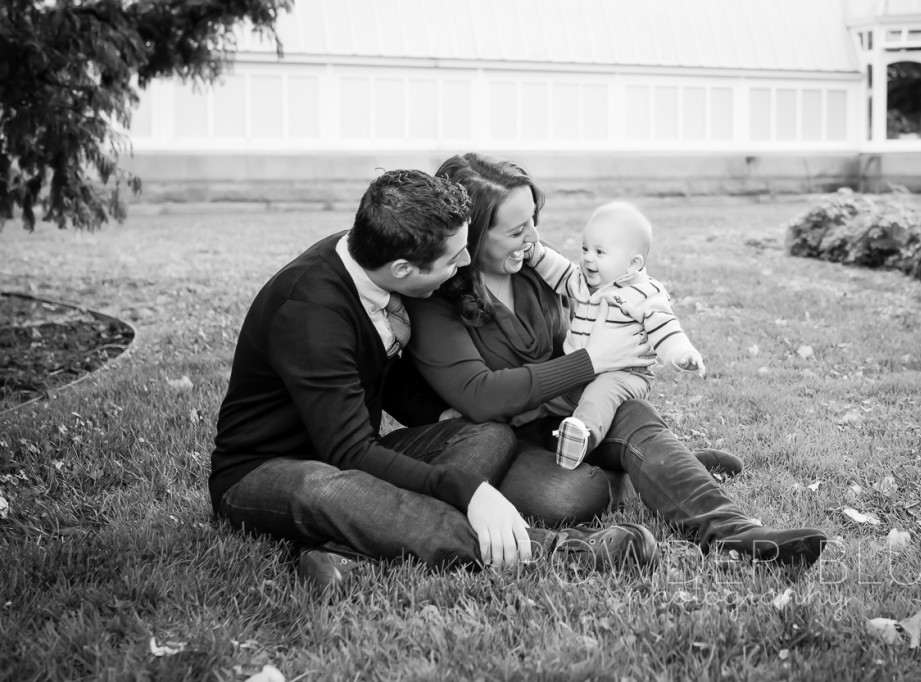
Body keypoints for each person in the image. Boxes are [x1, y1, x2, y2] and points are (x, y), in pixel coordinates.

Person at [209, 169, 658, 589]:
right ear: (404, 270)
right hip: (267, 468)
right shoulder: (311, 312)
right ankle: (560, 551)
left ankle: (348, 546)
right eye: (453, 258)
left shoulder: (369, 257)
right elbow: (347, 453)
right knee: (325, 487)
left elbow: (384, 379)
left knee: (486, 434)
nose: (466, 261)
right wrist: (471, 491)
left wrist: (444, 418)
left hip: (349, 452)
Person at [405, 153, 828, 567]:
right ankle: (663, 466)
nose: (533, 237)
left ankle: (735, 532)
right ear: (472, 235)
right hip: (501, 439)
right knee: (573, 497)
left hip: (570, 413)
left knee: (634, 411)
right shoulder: (435, 294)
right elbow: (479, 396)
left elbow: (611, 295)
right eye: (517, 231)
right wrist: (593, 360)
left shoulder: (533, 263)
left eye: (534, 220)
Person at [523, 200, 706, 469]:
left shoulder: (645, 294)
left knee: (600, 395)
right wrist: (535, 253)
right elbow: (558, 268)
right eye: (585, 248)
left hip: (623, 374)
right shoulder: (584, 282)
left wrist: (681, 353)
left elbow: (665, 327)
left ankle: (581, 437)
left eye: (599, 252)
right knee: (544, 394)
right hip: (580, 370)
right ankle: (505, 417)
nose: (587, 258)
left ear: (633, 264)